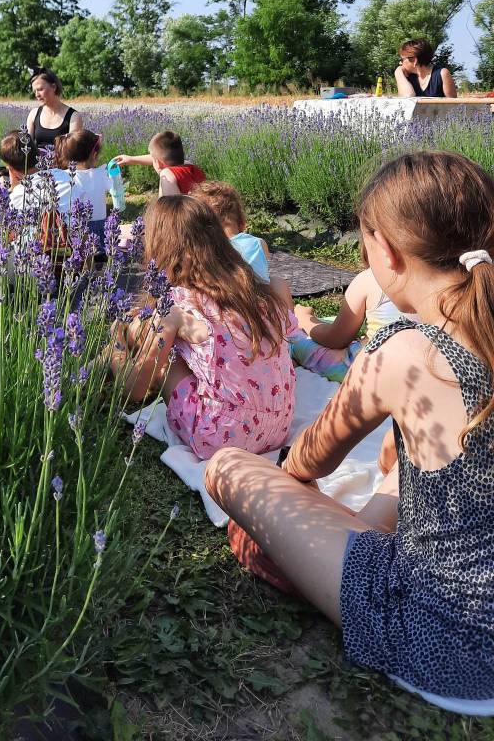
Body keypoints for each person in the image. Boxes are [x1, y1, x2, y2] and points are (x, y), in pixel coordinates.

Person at [204, 151, 494, 709]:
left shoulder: (405, 352)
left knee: (227, 467)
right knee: (407, 461)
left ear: (385, 251)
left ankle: (310, 564)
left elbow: (308, 459)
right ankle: (352, 540)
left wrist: (290, 494)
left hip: (444, 641)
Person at [107, 194, 296, 460]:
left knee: (168, 360)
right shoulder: (257, 291)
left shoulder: (176, 308)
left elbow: (134, 390)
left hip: (222, 438)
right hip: (278, 428)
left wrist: (116, 342)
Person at [289, 267, 415, 384]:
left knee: (296, 339)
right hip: (416, 371)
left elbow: (335, 339)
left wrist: (304, 318)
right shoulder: (426, 282)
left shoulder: (370, 278)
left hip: (365, 369)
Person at [190, 180, 271, 283]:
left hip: (221, 292)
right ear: (242, 221)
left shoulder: (202, 252)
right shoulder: (258, 244)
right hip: (258, 293)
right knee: (278, 281)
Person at [53, 130, 112, 251]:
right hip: (98, 237)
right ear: (94, 155)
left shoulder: (60, 176)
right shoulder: (101, 174)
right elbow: (115, 190)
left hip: (68, 236)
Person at [113, 130, 205, 196]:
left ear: (158, 163)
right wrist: (131, 159)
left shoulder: (167, 174)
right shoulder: (191, 166)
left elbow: (166, 210)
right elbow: (162, 158)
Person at [26, 69, 83, 150]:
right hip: (37, 158)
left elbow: (72, 151)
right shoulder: (33, 114)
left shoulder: (74, 117)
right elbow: (28, 147)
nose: (37, 95)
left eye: (40, 89)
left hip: (62, 158)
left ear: (54, 87)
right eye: (35, 91)